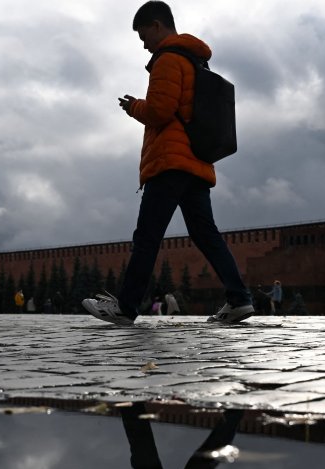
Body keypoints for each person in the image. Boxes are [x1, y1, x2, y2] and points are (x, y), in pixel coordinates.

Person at [82, 2, 254, 326]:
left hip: (170, 161)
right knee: (206, 235)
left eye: (144, 34)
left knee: (147, 235)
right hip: (196, 162)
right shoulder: (195, 61)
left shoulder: (168, 59)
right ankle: (240, 299)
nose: (144, 43)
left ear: (158, 25)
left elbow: (160, 111)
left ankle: (126, 307)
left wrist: (134, 106)